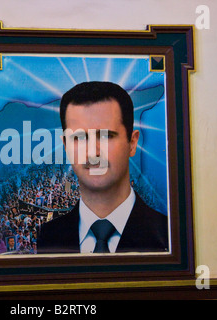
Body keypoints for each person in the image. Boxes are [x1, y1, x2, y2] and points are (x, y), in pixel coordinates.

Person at [37, 81, 168, 254]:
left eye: (106, 136)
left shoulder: (168, 234)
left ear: (132, 143)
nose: (93, 152)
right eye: (80, 138)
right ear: (66, 145)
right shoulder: (48, 237)